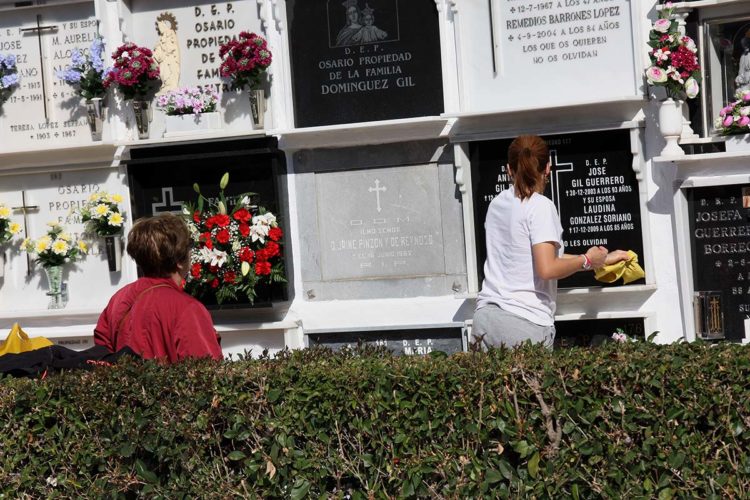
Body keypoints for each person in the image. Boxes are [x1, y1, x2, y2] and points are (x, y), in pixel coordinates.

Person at [472, 135, 629, 350]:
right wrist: (586, 260)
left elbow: (534, 256)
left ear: (509, 170)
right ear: (548, 168)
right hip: (523, 323)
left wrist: (601, 260)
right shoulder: (540, 206)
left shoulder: (497, 204)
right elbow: (546, 268)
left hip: (485, 320)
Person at [94, 213, 222, 363]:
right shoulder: (187, 308)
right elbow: (207, 371)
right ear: (179, 261)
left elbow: (103, 352)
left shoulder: (118, 298)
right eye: (189, 247)